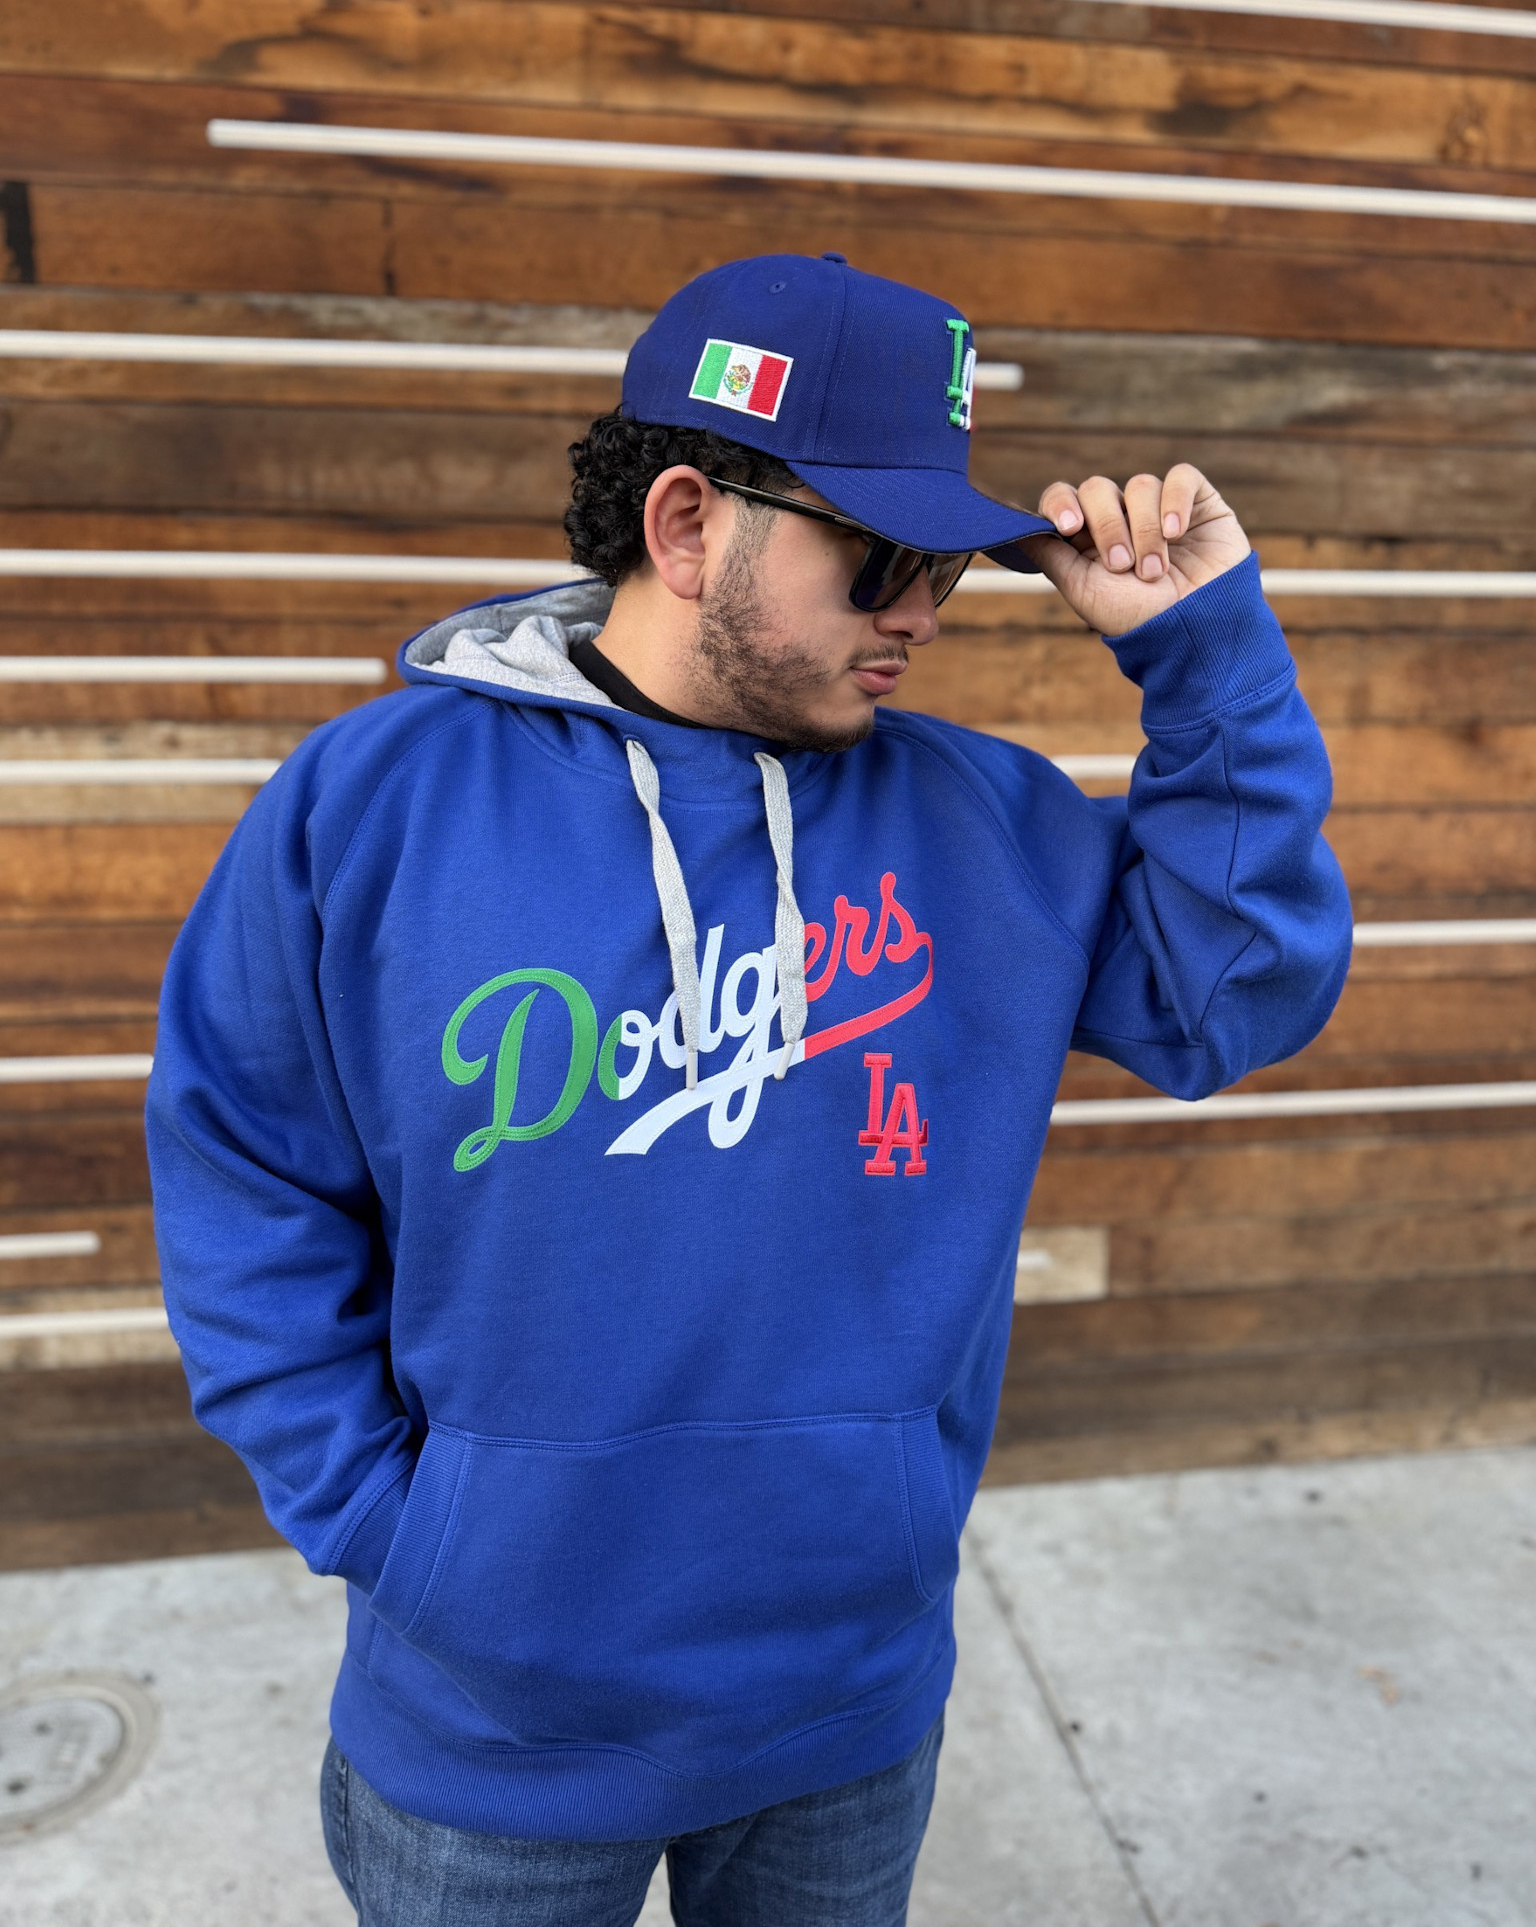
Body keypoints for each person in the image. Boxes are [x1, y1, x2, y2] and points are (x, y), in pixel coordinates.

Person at [146, 251, 1352, 1926]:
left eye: (953, 566)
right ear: (688, 523)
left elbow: (1239, 993)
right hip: (489, 1734)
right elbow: (244, 1172)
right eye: (882, 560)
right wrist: (395, 1530)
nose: (924, 614)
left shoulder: (989, 826)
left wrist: (1206, 659)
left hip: (844, 1710)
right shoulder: (375, 805)